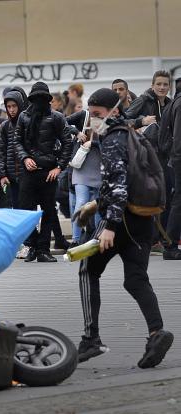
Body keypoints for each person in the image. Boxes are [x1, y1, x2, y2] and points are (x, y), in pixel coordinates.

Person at [77, 88, 174, 367]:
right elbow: (126, 182)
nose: (93, 120)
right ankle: (156, 332)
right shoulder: (132, 134)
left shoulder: (112, 140)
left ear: (114, 111)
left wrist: (109, 225)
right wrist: (94, 205)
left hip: (120, 221)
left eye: (97, 114)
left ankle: (91, 338)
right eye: (90, 115)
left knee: (87, 270)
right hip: (144, 219)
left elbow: (118, 186)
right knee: (135, 279)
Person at [14, 81, 73, 262]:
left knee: (48, 211)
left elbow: (68, 142)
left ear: (47, 99)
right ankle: (33, 246)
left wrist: (59, 167)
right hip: (28, 172)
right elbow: (17, 141)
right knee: (26, 211)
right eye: (36, 98)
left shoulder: (56, 117)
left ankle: (43, 250)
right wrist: (25, 158)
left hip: (49, 172)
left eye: (42, 98)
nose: (39, 101)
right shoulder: (23, 117)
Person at [125, 70, 172, 253]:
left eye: (165, 84)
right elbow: (123, 120)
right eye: (158, 84)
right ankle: (150, 240)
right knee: (150, 198)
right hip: (145, 158)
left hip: (165, 158)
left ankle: (161, 238)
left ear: (169, 87)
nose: (162, 87)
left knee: (165, 198)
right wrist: (141, 121)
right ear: (152, 85)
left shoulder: (170, 104)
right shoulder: (143, 100)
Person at [66, 107, 101, 247]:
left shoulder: (109, 118)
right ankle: (75, 240)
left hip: (99, 166)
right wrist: (77, 132)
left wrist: (93, 143)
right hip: (81, 166)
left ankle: (97, 239)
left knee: (98, 205)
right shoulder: (84, 115)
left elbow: (111, 140)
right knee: (80, 202)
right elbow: (62, 122)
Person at [162, 79, 181, 260]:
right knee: (178, 201)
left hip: (175, 159)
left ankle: (171, 243)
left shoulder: (174, 102)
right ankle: (171, 245)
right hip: (178, 159)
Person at [0, 90, 24, 209]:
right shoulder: (5, 126)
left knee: (28, 208)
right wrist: (2, 174)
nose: (11, 110)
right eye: (8, 107)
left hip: (27, 175)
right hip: (11, 176)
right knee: (16, 208)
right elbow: (1, 152)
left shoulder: (27, 123)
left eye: (14, 106)